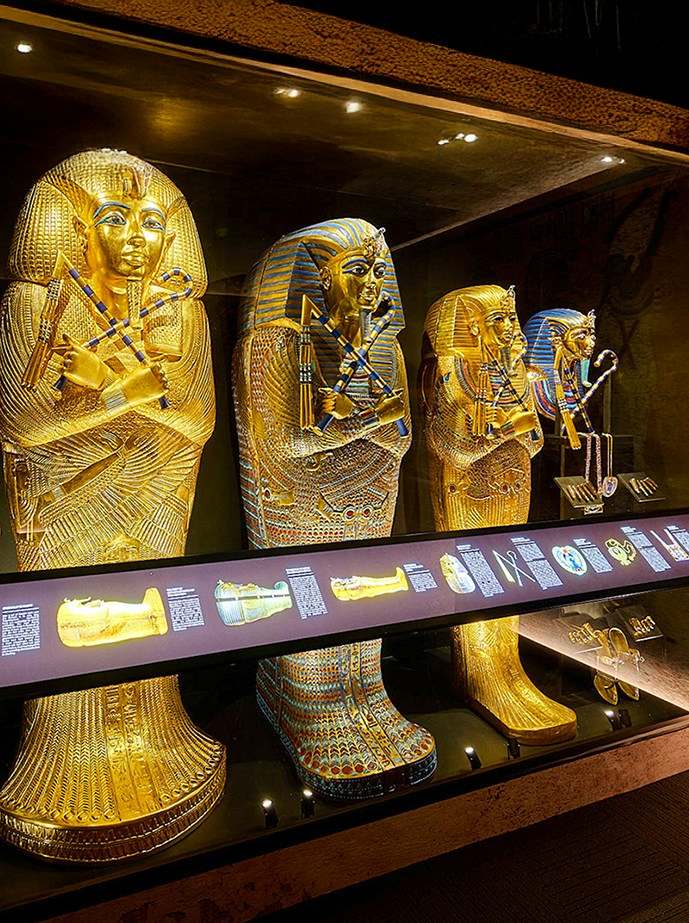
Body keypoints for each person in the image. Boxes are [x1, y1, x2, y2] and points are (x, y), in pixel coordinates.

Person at [0, 149, 224, 863]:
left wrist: (109, 386)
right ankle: (62, 749)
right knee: (77, 618)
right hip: (68, 499)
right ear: (74, 231)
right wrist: (134, 392)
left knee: (147, 609)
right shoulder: (39, 303)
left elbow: (198, 418)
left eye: (152, 222)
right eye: (115, 219)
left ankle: (160, 728)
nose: (136, 238)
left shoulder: (181, 312)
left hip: (156, 488)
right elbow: (21, 418)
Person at [234, 218, 436, 798]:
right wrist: (367, 422)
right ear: (318, 277)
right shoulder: (278, 341)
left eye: (378, 271)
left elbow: (402, 438)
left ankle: (367, 693)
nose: (372, 283)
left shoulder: (384, 345)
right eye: (356, 270)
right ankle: (303, 701)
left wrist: (355, 423)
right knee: (312, 598)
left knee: (366, 594)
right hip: (301, 496)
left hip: (371, 491)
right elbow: (286, 444)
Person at [421, 285, 578, 743]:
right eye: (500, 320)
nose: (512, 328)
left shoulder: (516, 374)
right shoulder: (452, 372)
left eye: (512, 318)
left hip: (512, 485)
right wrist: (504, 431)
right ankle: (478, 672)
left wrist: (505, 430)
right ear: (472, 327)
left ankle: (508, 668)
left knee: (509, 576)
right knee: (474, 578)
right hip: (466, 491)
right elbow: (453, 448)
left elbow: (534, 442)